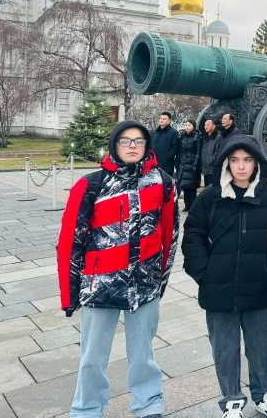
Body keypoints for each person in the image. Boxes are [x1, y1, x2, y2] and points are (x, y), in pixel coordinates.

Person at [57, 120, 178, 418]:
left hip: (145, 284)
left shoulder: (163, 182)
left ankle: (149, 404)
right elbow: (71, 240)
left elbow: (169, 234)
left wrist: (160, 280)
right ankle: (87, 409)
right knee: (92, 357)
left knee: (143, 354)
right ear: (115, 145)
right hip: (101, 286)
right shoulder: (91, 184)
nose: (132, 146)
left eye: (138, 141)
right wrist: (69, 294)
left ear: (147, 146)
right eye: (126, 140)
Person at [182, 134, 267, 418]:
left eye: (247, 160)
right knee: (225, 350)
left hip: (259, 287)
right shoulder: (210, 198)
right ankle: (232, 400)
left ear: (256, 164)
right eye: (234, 160)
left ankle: (264, 394)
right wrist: (204, 273)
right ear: (226, 163)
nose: (241, 166)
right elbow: (192, 235)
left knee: (263, 348)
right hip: (219, 289)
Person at [176, 120, 201, 211]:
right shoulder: (182, 136)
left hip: (192, 164)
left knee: (192, 187)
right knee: (185, 186)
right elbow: (180, 151)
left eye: (189, 125)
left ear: (193, 126)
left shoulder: (197, 136)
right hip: (183, 164)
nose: (187, 127)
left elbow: (198, 152)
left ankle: (193, 206)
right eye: (186, 125)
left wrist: (195, 164)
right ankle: (187, 205)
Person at [151, 112, 180, 177]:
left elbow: (175, 148)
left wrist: (167, 158)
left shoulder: (173, 132)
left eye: (164, 119)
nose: (161, 120)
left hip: (167, 166)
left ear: (169, 121)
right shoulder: (155, 132)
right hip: (154, 165)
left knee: (166, 182)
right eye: (161, 118)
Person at [200, 117, 221, 187]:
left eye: (208, 125)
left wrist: (211, 162)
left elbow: (218, 153)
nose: (205, 127)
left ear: (214, 126)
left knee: (213, 189)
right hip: (206, 170)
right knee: (207, 189)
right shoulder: (205, 138)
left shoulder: (218, 137)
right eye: (205, 125)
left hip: (213, 170)